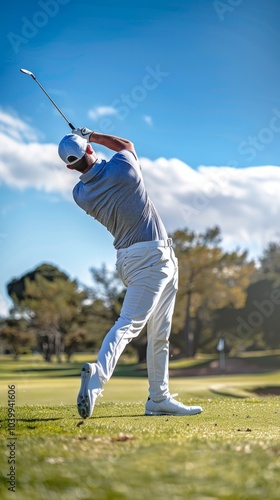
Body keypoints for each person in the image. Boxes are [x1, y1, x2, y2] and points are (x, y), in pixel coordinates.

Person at [58, 128, 203, 418]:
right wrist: (90, 134)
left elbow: (97, 161)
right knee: (128, 325)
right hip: (151, 258)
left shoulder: (80, 194)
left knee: (159, 332)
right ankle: (96, 380)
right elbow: (125, 144)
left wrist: (85, 148)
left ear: (69, 167)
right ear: (89, 151)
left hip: (132, 259)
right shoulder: (123, 168)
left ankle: (158, 398)